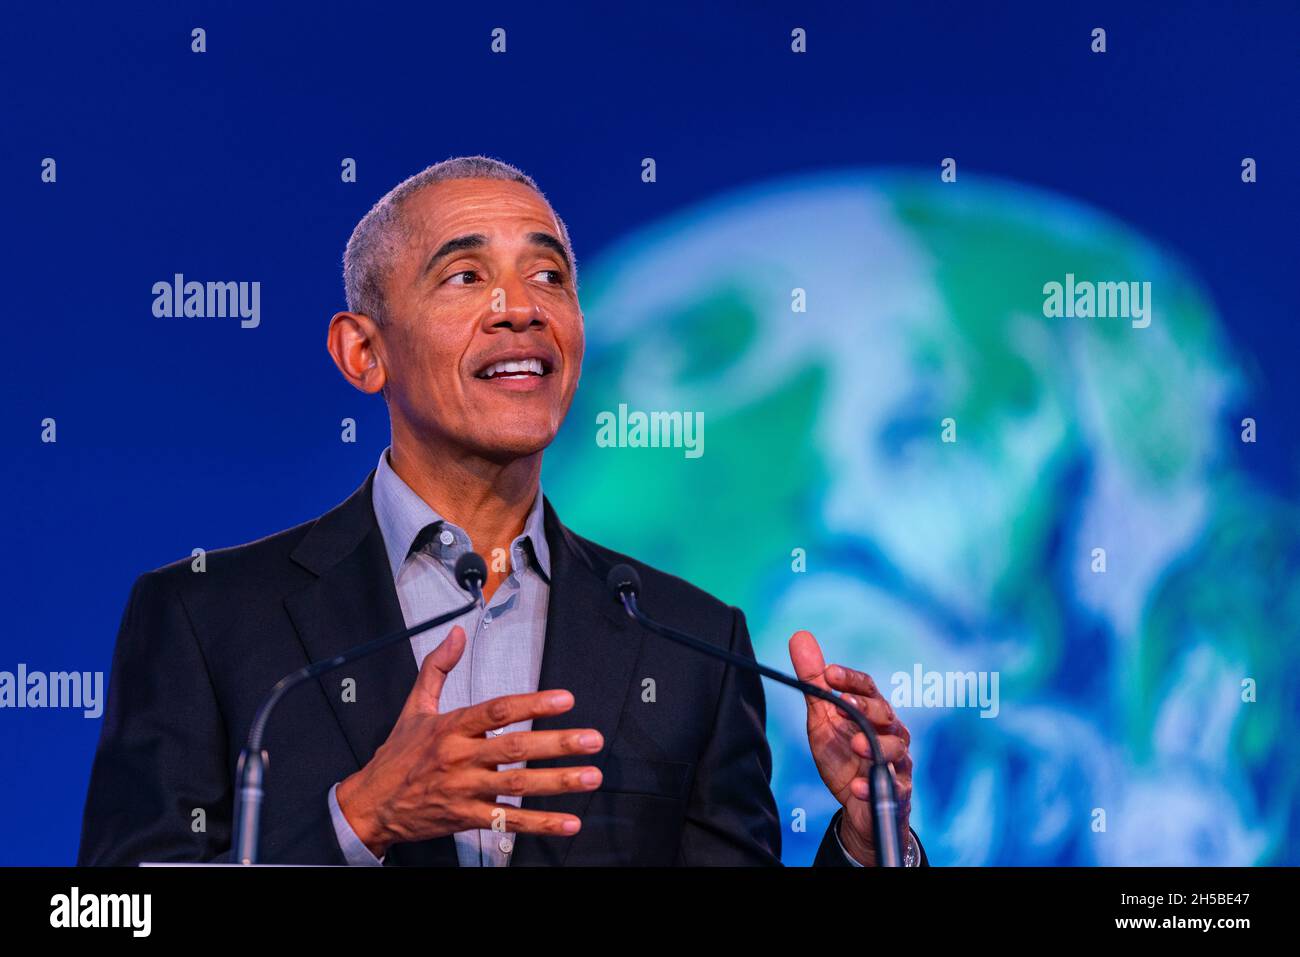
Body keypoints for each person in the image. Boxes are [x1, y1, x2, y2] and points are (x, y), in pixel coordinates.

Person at [78, 156, 922, 867]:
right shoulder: (204, 617)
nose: (522, 307)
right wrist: (357, 820)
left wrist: (864, 832)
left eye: (549, 275)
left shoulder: (692, 641)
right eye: (466, 275)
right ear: (363, 352)